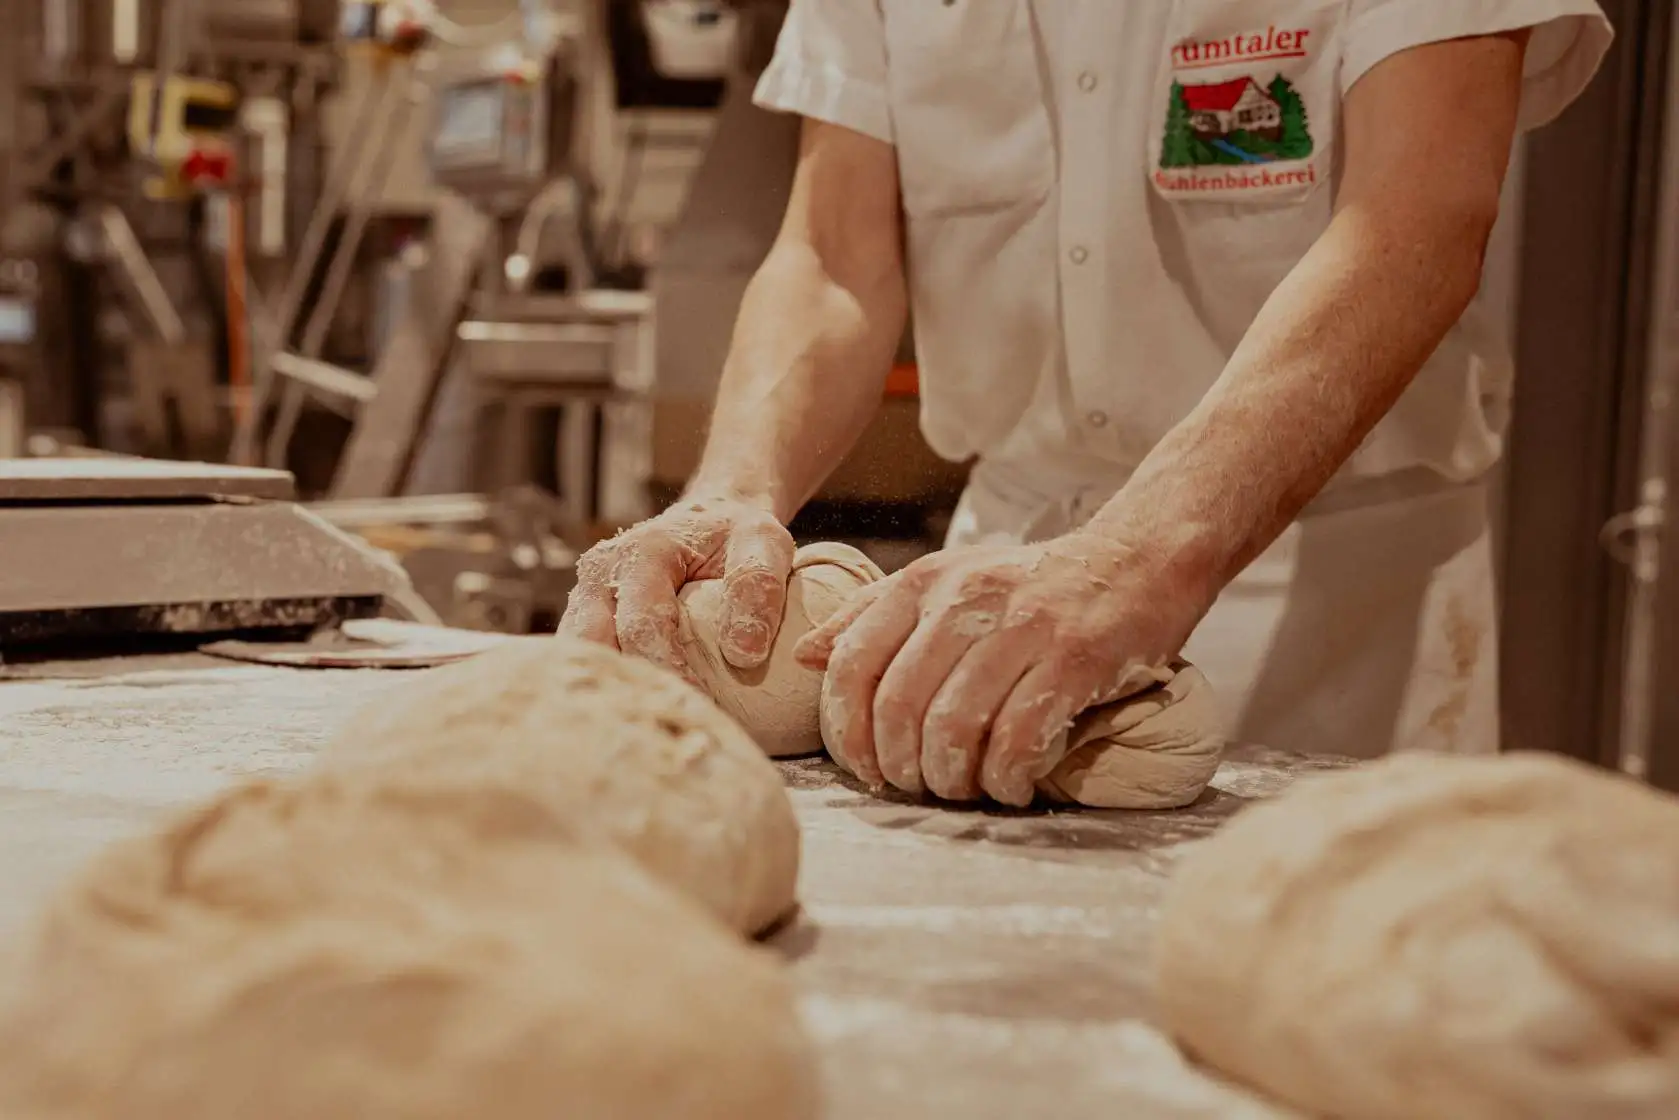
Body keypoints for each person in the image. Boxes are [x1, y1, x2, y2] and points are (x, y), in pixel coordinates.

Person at [562, 0, 1613, 806]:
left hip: (1339, 610)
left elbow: (1415, 217)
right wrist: (731, 494)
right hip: (985, 602)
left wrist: (1133, 560)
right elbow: (835, 254)